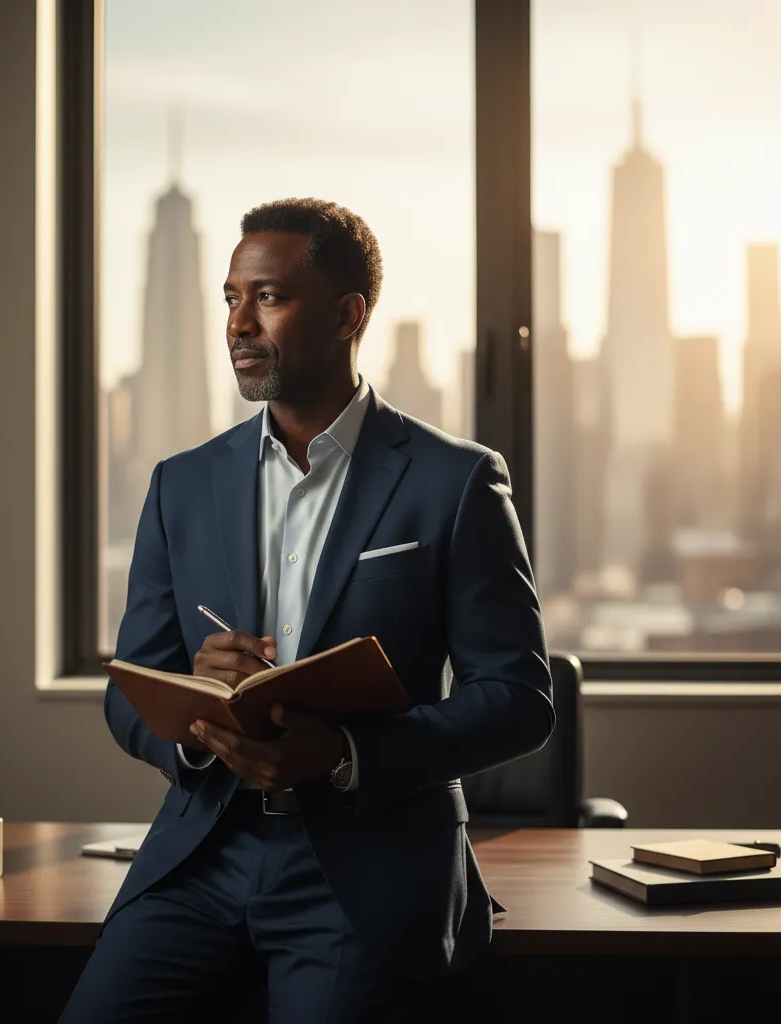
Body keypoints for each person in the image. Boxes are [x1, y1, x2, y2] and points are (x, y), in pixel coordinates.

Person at [60, 198, 555, 1023]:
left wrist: (345, 754)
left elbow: (517, 701)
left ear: (347, 314)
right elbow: (129, 691)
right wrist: (193, 719)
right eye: (230, 298)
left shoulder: (456, 482)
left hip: (366, 870)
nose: (239, 324)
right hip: (203, 858)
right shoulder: (181, 485)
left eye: (269, 297)